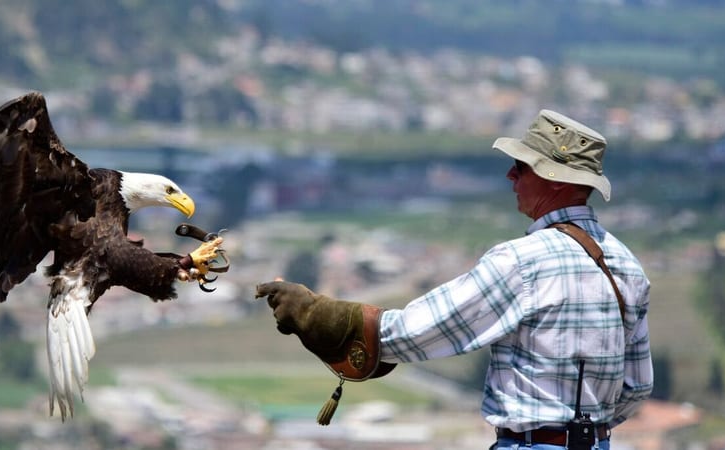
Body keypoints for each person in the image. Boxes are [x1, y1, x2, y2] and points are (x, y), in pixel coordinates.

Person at [256, 110, 652, 449]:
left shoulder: (522, 262)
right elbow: (636, 388)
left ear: (555, 180)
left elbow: (414, 334)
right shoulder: (627, 266)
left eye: (522, 167)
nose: (511, 175)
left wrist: (312, 314)